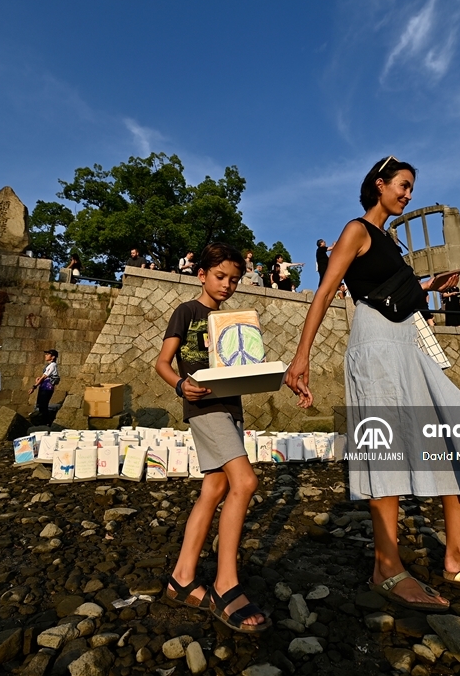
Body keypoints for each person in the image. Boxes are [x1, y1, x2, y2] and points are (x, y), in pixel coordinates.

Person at [285, 156, 460, 613]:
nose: (408, 194)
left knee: (457, 436)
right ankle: (386, 567)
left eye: (411, 188)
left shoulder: (389, 241)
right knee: (386, 451)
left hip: (409, 344)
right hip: (376, 347)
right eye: (403, 185)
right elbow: (324, 291)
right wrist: (302, 358)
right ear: (379, 185)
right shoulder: (356, 230)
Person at [156, 242, 271, 634]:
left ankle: (182, 576)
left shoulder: (232, 320)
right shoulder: (187, 312)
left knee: (214, 488)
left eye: (235, 279)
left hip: (230, 408)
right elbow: (162, 363)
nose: (227, 285)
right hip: (205, 408)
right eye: (220, 276)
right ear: (201, 274)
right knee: (247, 480)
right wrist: (180, 386)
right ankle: (226, 583)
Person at [31, 349, 61, 425]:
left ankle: (46, 422)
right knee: (41, 405)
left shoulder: (52, 365)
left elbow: (44, 377)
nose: (46, 356)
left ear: (53, 357)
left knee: (43, 405)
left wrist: (34, 387)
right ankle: (43, 421)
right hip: (44, 386)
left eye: (48, 354)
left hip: (47, 387)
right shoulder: (49, 366)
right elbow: (44, 376)